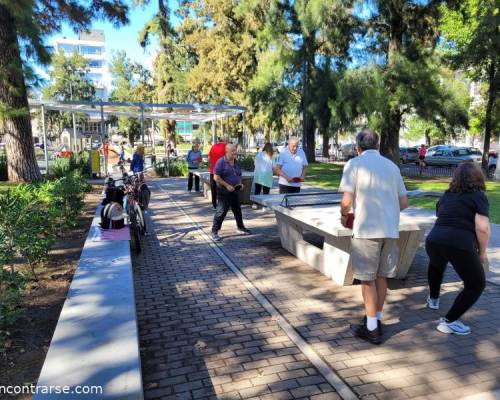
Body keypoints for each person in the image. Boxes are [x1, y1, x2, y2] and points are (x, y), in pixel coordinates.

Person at [339, 128, 408, 345]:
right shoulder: (392, 167)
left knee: (367, 279)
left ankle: (371, 330)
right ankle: (375, 320)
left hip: (366, 229)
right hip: (389, 229)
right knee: (381, 277)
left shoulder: (354, 165)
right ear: (377, 146)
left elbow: (346, 202)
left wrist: (344, 216)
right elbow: (404, 203)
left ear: (358, 148)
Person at [425, 163, 489, 335]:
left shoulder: (447, 195)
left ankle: (433, 299)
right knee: (476, 285)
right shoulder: (478, 196)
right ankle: (449, 321)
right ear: (478, 177)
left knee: (436, 265)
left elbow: (440, 215)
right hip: (459, 243)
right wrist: (482, 253)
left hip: (434, 240)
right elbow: (482, 228)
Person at [211, 144, 251, 242]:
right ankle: (214, 231)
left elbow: (239, 175)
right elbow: (216, 177)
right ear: (227, 151)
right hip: (223, 191)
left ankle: (240, 227)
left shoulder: (236, 162)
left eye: (235, 150)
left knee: (237, 209)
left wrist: (240, 184)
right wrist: (227, 185)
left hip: (235, 190)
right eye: (232, 151)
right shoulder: (221, 162)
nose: (235, 152)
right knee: (221, 211)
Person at [208, 137, 226, 209]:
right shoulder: (226, 147)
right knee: (222, 188)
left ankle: (214, 205)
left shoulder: (213, 147)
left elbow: (209, 158)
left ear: (218, 140)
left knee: (213, 188)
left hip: (212, 171)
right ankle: (222, 204)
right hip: (222, 171)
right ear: (224, 140)